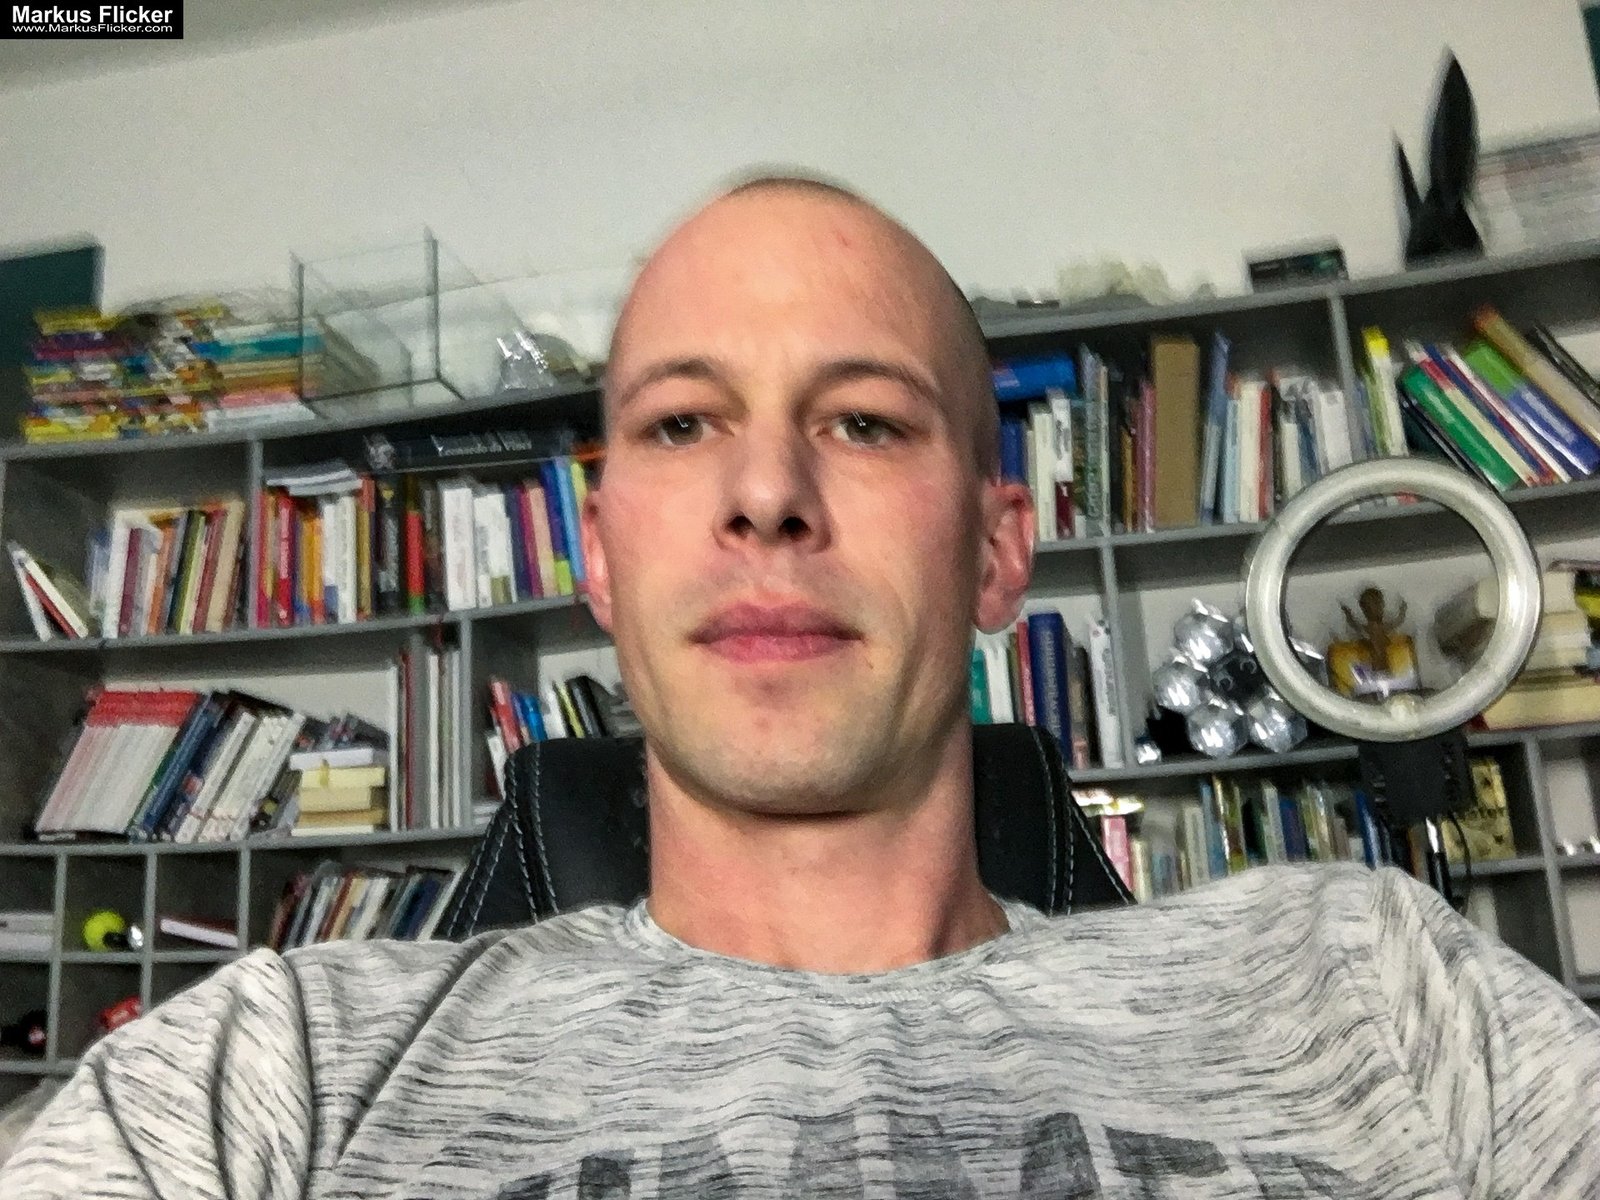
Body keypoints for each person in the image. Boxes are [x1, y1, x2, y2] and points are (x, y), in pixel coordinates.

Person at [4, 175, 1599, 1200]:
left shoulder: (1373, 989)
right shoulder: (271, 1074)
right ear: (601, 559)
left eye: (865, 423)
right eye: (683, 424)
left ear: (997, 550)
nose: (767, 493)